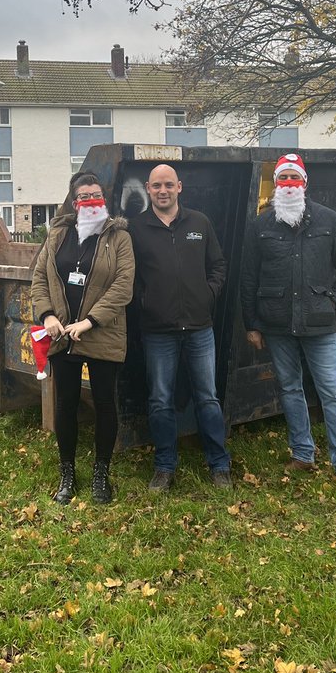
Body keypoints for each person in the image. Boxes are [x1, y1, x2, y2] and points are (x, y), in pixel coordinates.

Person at [240, 153, 336, 490]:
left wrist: (334, 300)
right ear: (275, 185)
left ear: (304, 183)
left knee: (332, 391)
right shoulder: (260, 226)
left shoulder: (328, 220)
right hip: (276, 323)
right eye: (282, 178)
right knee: (289, 387)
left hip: (319, 323)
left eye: (293, 179)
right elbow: (248, 278)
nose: (287, 184)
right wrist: (251, 324)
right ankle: (303, 453)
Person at [31, 172, 135, 504]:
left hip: (101, 333)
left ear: (104, 200)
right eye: (84, 196)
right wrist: (47, 314)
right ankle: (67, 472)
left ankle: (101, 474)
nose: (91, 201)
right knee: (66, 404)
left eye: (96, 195)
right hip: (62, 334)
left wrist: (90, 322)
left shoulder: (119, 237)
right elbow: (39, 277)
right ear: (74, 203)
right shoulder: (58, 234)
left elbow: (123, 286)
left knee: (105, 403)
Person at [128, 164, 231, 491]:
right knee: (160, 399)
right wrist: (145, 302)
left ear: (179, 187)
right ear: (147, 188)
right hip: (158, 332)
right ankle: (164, 467)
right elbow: (128, 277)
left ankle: (219, 465)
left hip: (200, 328)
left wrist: (208, 294)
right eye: (156, 185)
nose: (162, 190)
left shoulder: (198, 222)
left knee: (208, 398)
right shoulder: (136, 229)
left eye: (168, 185)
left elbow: (218, 265)